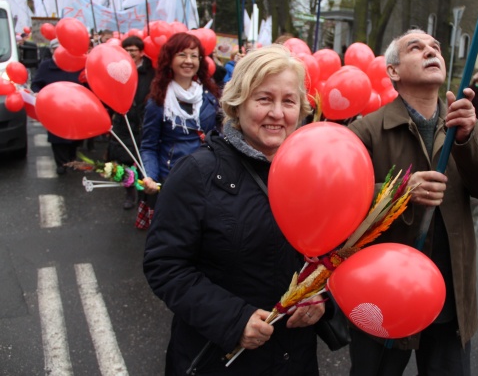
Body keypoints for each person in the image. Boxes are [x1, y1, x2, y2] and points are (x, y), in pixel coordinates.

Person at [143, 45, 324, 375]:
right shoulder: (197, 173)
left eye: (288, 101)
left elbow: (331, 255)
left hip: (293, 359)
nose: (277, 113)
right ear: (237, 103)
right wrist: (233, 319)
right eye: (264, 99)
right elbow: (165, 265)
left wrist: (323, 301)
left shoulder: (314, 174)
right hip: (220, 358)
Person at [348, 29, 478, 376]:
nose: (430, 51)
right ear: (393, 71)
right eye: (416, 47)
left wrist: (470, 139)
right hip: (384, 292)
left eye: (435, 46)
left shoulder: (460, 124)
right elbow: (337, 199)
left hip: (449, 296)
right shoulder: (366, 130)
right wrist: (398, 191)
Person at [140, 32, 220, 198]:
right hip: (171, 179)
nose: (188, 61)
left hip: (207, 177)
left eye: (194, 56)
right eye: (182, 55)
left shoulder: (210, 97)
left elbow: (218, 135)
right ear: (170, 59)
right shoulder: (157, 102)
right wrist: (150, 177)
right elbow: (149, 146)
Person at [107, 36, 155, 209]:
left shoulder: (151, 72)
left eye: (132, 50)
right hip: (123, 123)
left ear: (141, 52)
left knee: (144, 163)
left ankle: (144, 196)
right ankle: (129, 194)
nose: (129, 54)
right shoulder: (115, 70)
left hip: (144, 123)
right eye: (125, 50)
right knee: (125, 163)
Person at [30, 38, 83, 175]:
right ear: (52, 50)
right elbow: (36, 83)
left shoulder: (77, 64)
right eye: (56, 49)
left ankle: (72, 158)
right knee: (57, 137)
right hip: (55, 108)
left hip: (75, 107)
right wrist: (37, 93)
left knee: (75, 137)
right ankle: (62, 163)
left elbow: (85, 82)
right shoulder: (46, 66)